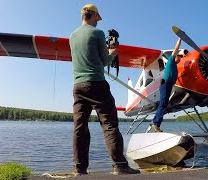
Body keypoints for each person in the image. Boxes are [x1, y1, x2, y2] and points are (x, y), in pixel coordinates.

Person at [69, 4, 140, 175]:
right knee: (109, 124)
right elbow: (105, 61)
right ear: (93, 16)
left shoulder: (72, 36)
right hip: (97, 84)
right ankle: (120, 166)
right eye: (97, 19)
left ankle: (80, 169)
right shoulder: (97, 33)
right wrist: (113, 51)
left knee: (79, 127)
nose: (98, 22)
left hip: (78, 86)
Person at [149, 38, 186, 132]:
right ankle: (155, 124)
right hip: (165, 84)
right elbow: (176, 48)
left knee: (164, 105)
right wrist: (180, 38)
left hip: (168, 86)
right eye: (179, 56)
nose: (180, 58)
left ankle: (155, 122)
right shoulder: (170, 60)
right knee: (163, 104)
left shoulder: (175, 68)